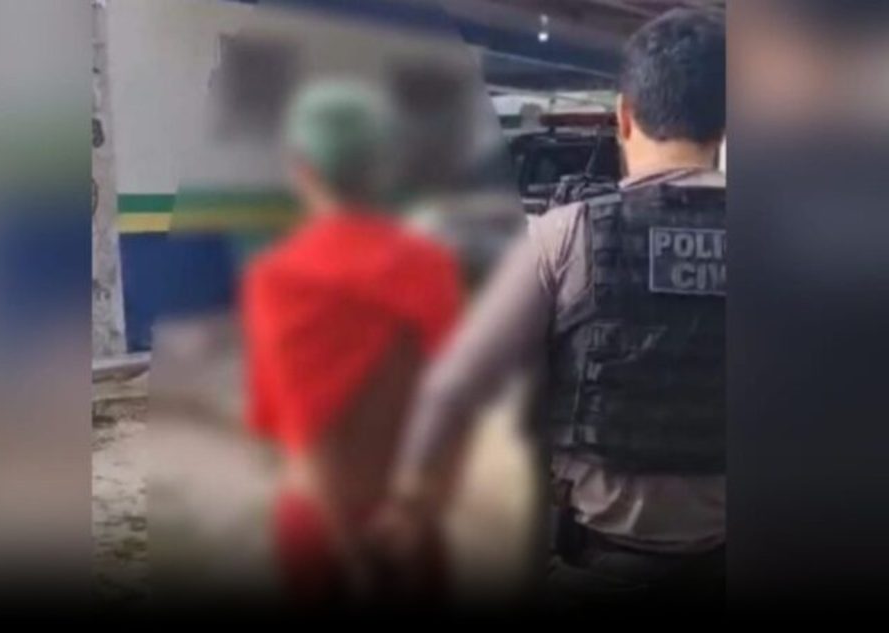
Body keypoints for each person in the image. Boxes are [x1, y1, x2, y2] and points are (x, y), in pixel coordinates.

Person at [372, 8, 727, 608]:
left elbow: (454, 389)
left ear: (624, 116)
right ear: (725, 122)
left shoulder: (564, 235)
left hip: (593, 565)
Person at [240, 80, 462, 603]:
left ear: (302, 169)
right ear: (382, 166)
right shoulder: (429, 266)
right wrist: (421, 507)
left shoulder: (279, 276)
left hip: (317, 531)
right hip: (406, 524)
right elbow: (456, 403)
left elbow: (303, 426)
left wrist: (347, 550)